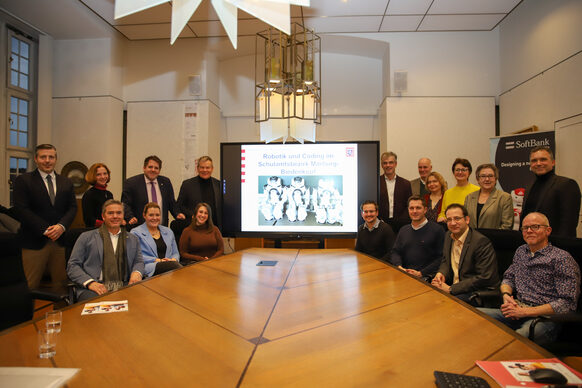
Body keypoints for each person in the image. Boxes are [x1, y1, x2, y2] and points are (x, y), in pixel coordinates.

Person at [479, 212, 580, 345]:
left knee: (515, 341)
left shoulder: (562, 259)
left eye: (535, 227)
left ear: (548, 231)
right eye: (525, 228)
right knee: (472, 316)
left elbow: (567, 304)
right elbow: (509, 277)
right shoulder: (521, 251)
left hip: (544, 319)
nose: (529, 231)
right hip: (516, 310)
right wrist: (506, 295)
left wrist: (526, 312)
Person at [13, 144, 77, 291]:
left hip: (59, 242)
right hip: (34, 241)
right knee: (30, 286)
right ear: (36, 159)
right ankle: (27, 315)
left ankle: (61, 314)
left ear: (56, 159)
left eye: (51, 157)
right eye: (43, 157)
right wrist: (45, 229)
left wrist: (61, 227)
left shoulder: (66, 182)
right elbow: (21, 209)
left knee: (61, 286)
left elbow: (73, 207)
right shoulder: (24, 180)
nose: (47, 160)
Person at [67, 200, 144, 301]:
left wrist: (137, 273)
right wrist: (90, 283)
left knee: (143, 304)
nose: (115, 216)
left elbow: (139, 261)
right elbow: (72, 266)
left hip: (125, 284)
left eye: (119, 213)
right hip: (94, 287)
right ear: (103, 216)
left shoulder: (133, 238)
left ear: (123, 215)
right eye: (110, 213)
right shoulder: (86, 237)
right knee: (98, 311)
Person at [432, 204, 499, 304]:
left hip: (477, 292)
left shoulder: (480, 242)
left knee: (444, 304)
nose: (453, 223)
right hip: (456, 287)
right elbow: (446, 261)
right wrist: (441, 274)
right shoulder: (448, 236)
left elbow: (484, 277)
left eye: (457, 218)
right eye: (449, 220)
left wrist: (451, 289)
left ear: (467, 220)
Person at [521, 146, 581, 237]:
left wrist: (557, 249)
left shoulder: (567, 184)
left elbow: (568, 224)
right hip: (531, 244)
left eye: (543, 159)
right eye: (534, 160)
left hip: (555, 245)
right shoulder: (529, 186)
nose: (538, 163)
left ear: (553, 162)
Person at [122, 155, 185, 227]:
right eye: (150, 167)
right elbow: (125, 204)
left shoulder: (165, 182)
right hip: (139, 228)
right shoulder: (131, 183)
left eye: (156, 168)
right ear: (144, 168)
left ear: (159, 170)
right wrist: (130, 217)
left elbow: (171, 202)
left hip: (161, 228)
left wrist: (177, 213)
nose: (153, 170)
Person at [391, 196, 445, 280]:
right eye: (411, 208)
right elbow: (395, 252)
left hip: (426, 278)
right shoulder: (403, 230)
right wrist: (399, 267)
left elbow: (441, 258)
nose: (414, 211)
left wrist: (421, 273)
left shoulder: (437, 230)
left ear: (425, 210)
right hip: (404, 274)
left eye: (418, 208)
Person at [130, 202, 182, 277]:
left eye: (157, 215)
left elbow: (175, 253)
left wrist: (174, 259)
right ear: (144, 215)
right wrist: (157, 260)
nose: (154, 218)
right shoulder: (135, 233)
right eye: (151, 215)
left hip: (171, 265)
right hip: (150, 267)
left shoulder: (168, 231)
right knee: (178, 269)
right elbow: (136, 256)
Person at [177, 156, 222, 230]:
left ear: (212, 169)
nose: (205, 170)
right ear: (197, 168)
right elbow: (180, 205)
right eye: (202, 167)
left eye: (207, 167)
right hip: (194, 228)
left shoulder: (219, 185)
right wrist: (193, 215)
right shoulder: (187, 184)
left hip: (214, 228)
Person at [464, 163, 513, 230]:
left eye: (490, 176)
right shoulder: (469, 197)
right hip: (472, 239)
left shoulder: (505, 198)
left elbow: (507, 225)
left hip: (494, 239)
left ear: (495, 179)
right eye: (483, 176)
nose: (487, 179)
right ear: (478, 179)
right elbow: (465, 221)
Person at [378, 151, 412, 231]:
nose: (388, 165)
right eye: (385, 163)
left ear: (395, 164)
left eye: (391, 162)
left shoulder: (405, 183)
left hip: (401, 225)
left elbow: (409, 204)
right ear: (382, 165)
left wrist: (403, 219)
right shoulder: (376, 182)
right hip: (381, 224)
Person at [82, 162, 114, 227]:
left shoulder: (109, 194)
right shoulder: (89, 195)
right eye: (98, 174)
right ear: (93, 176)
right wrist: (108, 224)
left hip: (109, 230)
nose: (103, 177)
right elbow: (89, 220)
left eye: (105, 173)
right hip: (94, 232)